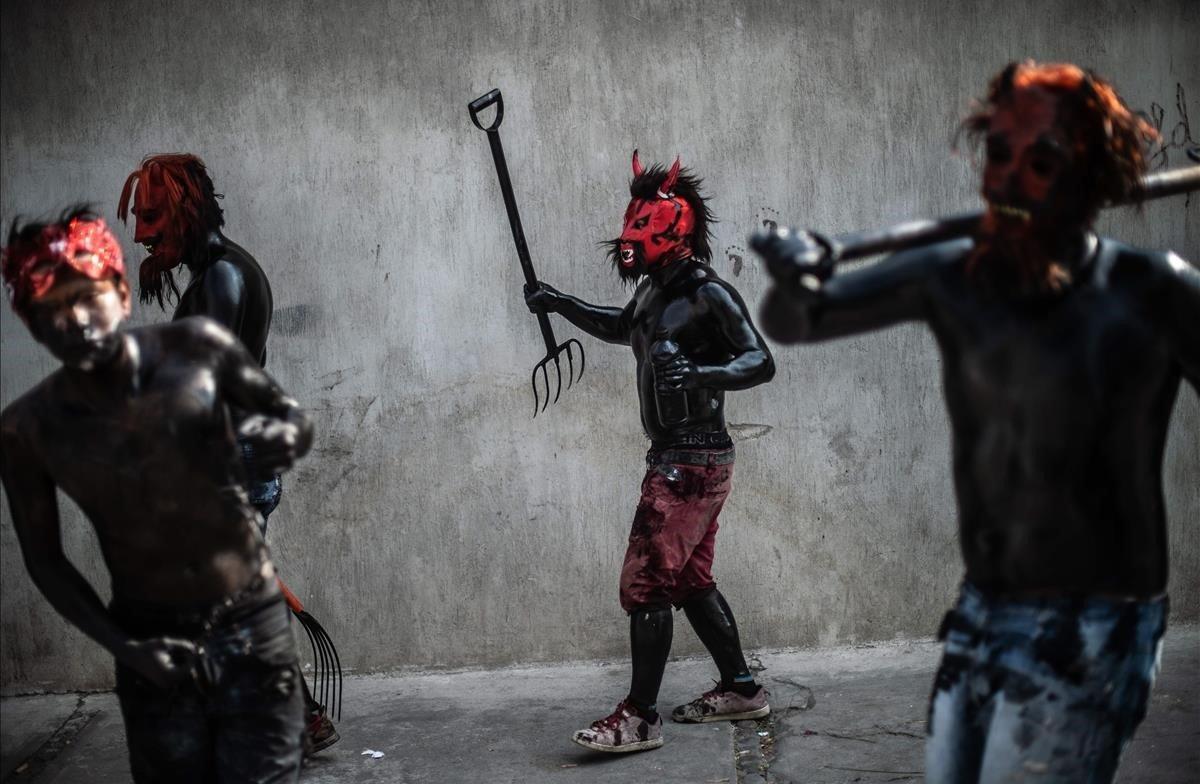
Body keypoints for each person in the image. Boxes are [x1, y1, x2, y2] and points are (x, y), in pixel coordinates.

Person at [751, 61, 1198, 782]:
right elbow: (794, 322)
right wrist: (796, 272)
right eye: (998, 152)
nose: (1006, 181)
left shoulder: (1156, 292)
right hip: (982, 610)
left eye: (1041, 162)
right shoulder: (955, 273)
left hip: (1091, 629)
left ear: (1093, 174)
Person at [0, 208, 313, 782]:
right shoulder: (25, 430)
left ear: (118, 292)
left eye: (85, 298)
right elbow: (45, 562)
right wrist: (126, 647)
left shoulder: (199, 332)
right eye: (50, 310)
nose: (75, 322)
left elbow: (279, 415)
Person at [526, 152, 776, 753]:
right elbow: (622, 327)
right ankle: (742, 689)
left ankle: (640, 716)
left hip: (689, 462)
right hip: (687, 458)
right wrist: (561, 305)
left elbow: (759, 361)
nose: (631, 239)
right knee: (690, 582)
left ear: (675, 228)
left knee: (647, 585)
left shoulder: (709, 293)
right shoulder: (651, 292)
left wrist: (697, 371)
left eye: (644, 226)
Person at [119, 153, 340, 751]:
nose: (141, 234)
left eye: (152, 217)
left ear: (185, 210)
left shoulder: (222, 277)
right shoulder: (218, 273)